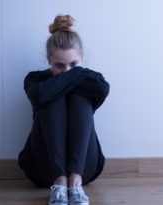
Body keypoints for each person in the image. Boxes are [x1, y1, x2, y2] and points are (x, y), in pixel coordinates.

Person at [18, 14, 110, 205]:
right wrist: (77, 75)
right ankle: (59, 181)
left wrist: (62, 80)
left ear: (82, 57)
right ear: (49, 60)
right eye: (59, 66)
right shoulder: (35, 79)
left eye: (74, 65)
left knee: (78, 97)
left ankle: (75, 182)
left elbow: (103, 89)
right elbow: (39, 96)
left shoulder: (94, 81)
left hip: (85, 169)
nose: (67, 71)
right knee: (52, 98)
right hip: (42, 168)